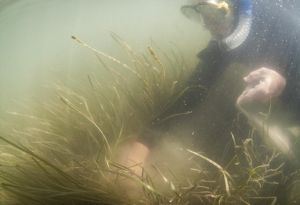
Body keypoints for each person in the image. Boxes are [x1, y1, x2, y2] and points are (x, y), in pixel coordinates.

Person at [122, 0, 300, 202]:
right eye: (199, 15)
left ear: (235, 6)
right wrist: (141, 147)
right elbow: (191, 94)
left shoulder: (284, 25)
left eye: (213, 13)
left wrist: (285, 85)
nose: (207, 24)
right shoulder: (224, 40)